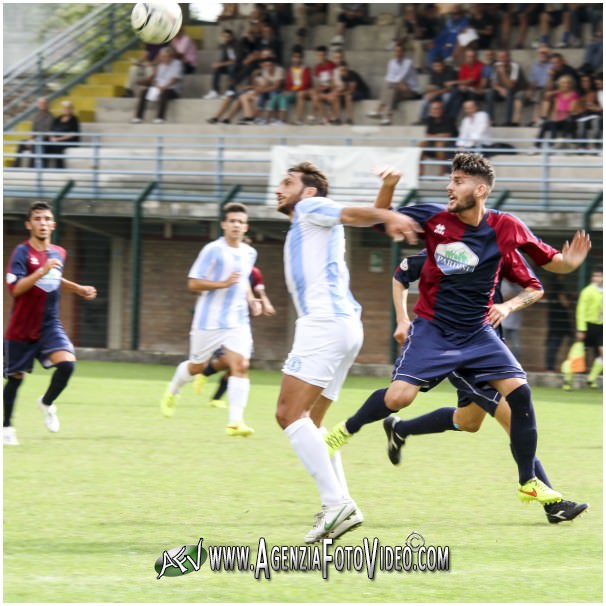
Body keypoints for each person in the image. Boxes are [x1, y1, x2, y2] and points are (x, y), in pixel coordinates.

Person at [325, 152, 591, 512]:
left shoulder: (506, 226)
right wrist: (388, 187)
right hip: (434, 330)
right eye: (450, 180)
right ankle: (346, 430)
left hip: (479, 333)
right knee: (399, 397)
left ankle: (530, 483)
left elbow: (550, 263)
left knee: (518, 396)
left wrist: (570, 262)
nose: (450, 187)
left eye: (458, 181)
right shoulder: (434, 217)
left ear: (480, 189)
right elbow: (379, 222)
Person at [273, 161, 420, 544]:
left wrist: (388, 211)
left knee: (289, 414)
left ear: (308, 192)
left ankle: (336, 503)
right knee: (314, 422)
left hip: (323, 324)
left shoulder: (310, 208)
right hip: (343, 325)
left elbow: (354, 214)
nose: (279, 188)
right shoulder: (314, 220)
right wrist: (386, 201)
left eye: (287, 183)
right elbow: (366, 220)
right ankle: (340, 505)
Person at [388, 248, 587, 524]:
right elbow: (401, 274)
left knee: (467, 421)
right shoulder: (446, 251)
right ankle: (552, 505)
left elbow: (534, 287)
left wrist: (508, 306)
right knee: (513, 418)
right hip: (460, 355)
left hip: (489, 351)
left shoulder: (496, 251)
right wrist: (402, 319)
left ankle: (400, 429)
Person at [160, 203, 262, 437]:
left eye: (240, 222)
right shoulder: (212, 250)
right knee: (197, 367)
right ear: (224, 224)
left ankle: (235, 423)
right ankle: (173, 389)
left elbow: (243, 280)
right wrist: (221, 284)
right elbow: (193, 282)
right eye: (232, 221)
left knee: (241, 365)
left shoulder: (249, 253)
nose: (236, 225)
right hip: (209, 321)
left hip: (238, 320)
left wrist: (252, 299)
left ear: (246, 227)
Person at [3, 202, 97, 446]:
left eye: (46, 219)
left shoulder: (59, 252)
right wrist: (41, 272)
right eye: (37, 219)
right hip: (21, 327)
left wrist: (78, 288)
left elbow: (56, 277)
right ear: (29, 224)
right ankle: (7, 429)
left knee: (67, 365)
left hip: (49, 325)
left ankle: (46, 402)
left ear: (53, 225)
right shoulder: (21, 253)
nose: (42, 223)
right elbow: (15, 289)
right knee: (15, 379)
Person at [193, 265, 276, 404]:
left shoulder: (254, 272)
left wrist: (265, 303)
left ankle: (216, 399)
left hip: (240, 324)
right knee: (228, 361)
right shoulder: (224, 268)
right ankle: (204, 373)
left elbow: (260, 290)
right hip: (221, 323)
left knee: (241, 364)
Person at [563, 269, 603, 390]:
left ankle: (591, 378)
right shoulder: (587, 291)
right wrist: (581, 329)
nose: (597, 278)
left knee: (603, 352)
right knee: (578, 353)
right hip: (587, 326)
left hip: (601, 327)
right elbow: (580, 311)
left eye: (599, 276)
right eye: (595, 276)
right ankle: (568, 380)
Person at [366, 44, 421, 126]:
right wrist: (398, 83)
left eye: (399, 51)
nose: (397, 53)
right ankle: (386, 117)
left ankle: (379, 109)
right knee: (391, 88)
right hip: (398, 88)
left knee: (390, 86)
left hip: (410, 90)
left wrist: (399, 83)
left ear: (404, 52)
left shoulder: (408, 62)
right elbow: (389, 77)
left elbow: (401, 76)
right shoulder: (392, 62)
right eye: (396, 51)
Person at [131, 47, 183, 124]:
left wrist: (163, 88)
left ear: (171, 56)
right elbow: (156, 79)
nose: (163, 58)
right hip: (159, 88)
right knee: (144, 92)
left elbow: (174, 80)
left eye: (165, 56)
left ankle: (160, 117)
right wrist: (157, 86)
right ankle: (138, 117)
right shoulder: (161, 65)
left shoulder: (177, 63)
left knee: (164, 93)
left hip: (172, 89)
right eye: (162, 56)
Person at [419, 99, 458, 176]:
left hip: (451, 144)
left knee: (439, 144)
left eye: (437, 108)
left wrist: (435, 136)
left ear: (442, 109)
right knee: (421, 145)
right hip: (435, 143)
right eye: (433, 109)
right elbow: (428, 136)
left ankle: (442, 172)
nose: (435, 111)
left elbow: (447, 136)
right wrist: (439, 135)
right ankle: (420, 173)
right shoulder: (430, 119)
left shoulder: (449, 119)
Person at [13, 96, 54, 168]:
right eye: (41, 103)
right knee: (22, 142)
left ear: (47, 105)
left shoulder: (51, 117)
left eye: (44, 103)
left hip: (45, 141)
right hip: (35, 140)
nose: (42, 105)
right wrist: (30, 140)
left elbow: (48, 133)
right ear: (38, 105)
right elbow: (33, 131)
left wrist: (34, 140)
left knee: (35, 145)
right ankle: (15, 166)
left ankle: (31, 168)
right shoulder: (36, 116)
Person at [544, 275, 573, 372]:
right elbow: (565, 302)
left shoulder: (552, 286)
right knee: (555, 343)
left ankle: (550, 367)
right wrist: (570, 301)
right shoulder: (559, 286)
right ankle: (551, 367)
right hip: (560, 320)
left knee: (553, 343)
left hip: (553, 318)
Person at [203, 29, 239, 99]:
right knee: (217, 69)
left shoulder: (237, 45)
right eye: (224, 37)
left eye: (227, 37)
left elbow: (235, 61)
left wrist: (220, 64)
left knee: (232, 68)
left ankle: (231, 90)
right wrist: (217, 64)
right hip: (228, 66)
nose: (226, 38)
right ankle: (215, 91)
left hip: (238, 66)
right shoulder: (225, 46)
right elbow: (223, 59)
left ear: (232, 37)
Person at [47, 101, 80, 169]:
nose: (66, 110)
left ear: (71, 109)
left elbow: (72, 134)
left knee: (58, 145)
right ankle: (40, 167)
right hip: (56, 139)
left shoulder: (74, 119)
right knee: (43, 143)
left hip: (68, 141)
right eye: (64, 108)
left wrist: (59, 139)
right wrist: (51, 137)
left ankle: (59, 168)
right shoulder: (58, 118)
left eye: (68, 108)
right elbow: (51, 130)